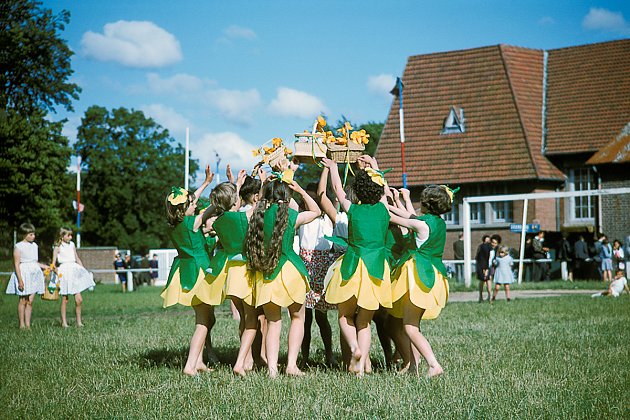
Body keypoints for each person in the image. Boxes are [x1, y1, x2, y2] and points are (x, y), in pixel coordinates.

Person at [322, 157, 393, 376]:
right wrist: (376, 168)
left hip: (353, 265)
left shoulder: (352, 208)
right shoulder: (384, 209)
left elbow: (336, 188)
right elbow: (386, 193)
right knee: (365, 321)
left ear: (358, 191)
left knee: (344, 315)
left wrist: (334, 167)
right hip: (376, 269)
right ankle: (362, 368)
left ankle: (354, 348)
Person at [246, 170, 320, 378]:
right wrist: (301, 192)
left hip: (267, 272)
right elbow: (315, 212)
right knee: (297, 318)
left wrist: (262, 186)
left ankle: (271, 369)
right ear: (287, 197)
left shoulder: (256, 216)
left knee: (273, 322)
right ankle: (291, 365)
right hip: (290, 272)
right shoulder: (290, 216)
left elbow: (258, 204)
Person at [387, 185, 454, 377]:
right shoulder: (439, 223)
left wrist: (381, 204)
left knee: (409, 326)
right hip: (433, 275)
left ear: (425, 204)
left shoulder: (421, 224)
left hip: (418, 276)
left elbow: (395, 218)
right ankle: (414, 368)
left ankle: (433, 364)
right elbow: (408, 216)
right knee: (413, 325)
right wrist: (396, 201)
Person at [160, 165, 218, 376]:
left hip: (185, 271)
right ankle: (190, 365)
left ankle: (199, 361)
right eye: (192, 203)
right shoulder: (193, 223)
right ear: (185, 208)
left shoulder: (174, 224)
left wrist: (205, 183)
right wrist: (223, 196)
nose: (196, 204)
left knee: (205, 318)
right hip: (198, 272)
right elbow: (212, 207)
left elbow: (193, 200)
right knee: (203, 322)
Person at [299, 176, 337, 367]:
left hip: (322, 269)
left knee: (322, 318)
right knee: (304, 319)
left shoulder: (328, 219)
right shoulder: (302, 218)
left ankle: (329, 353)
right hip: (305, 268)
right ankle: (304, 356)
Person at [5, 223, 47, 329]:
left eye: (33, 234)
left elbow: (34, 262)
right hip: (23, 274)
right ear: (24, 234)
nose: (33, 236)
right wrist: (20, 280)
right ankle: (22, 325)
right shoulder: (18, 246)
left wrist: (46, 267)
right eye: (31, 234)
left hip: (34, 274)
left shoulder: (35, 246)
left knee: (30, 301)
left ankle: (28, 325)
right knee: (23, 300)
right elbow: (17, 264)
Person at [52, 227, 96, 327]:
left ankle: (79, 321)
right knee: (65, 298)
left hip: (74, 270)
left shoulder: (72, 245)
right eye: (68, 235)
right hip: (64, 271)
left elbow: (76, 258)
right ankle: (64, 322)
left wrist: (83, 269)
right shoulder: (57, 247)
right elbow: (53, 263)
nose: (71, 237)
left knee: (79, 299)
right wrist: (57, 273)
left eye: (71, 235)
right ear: (62, 236)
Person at [475, 235, 492, 301]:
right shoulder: (483, 247)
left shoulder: (488, 247)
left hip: (486, 265)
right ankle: (483, 296)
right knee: (484, 280)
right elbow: (481, 258)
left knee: (487, 280)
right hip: (483, 265)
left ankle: (487, 296)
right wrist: (485, 268)